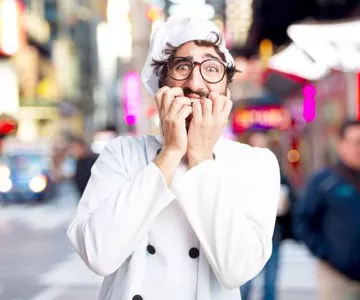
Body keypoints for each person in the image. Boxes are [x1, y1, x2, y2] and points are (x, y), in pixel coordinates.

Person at [67, 17, 280, 300]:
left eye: (212, 69)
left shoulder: (255, 163)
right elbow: (99, 255)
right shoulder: (121, 153)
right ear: (161, 89)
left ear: (227, 92)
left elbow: (237, 269)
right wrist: (169, 155)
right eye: (182, 67)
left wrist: (201, 158)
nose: (196, 82)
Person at [296, 119, 360, 300]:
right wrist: (326, 255)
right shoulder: (325, 181)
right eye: (356, 142)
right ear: (341, 145)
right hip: (338, 279)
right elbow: (303, 222)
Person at [240, 130, 297, 300]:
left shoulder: (277, 173)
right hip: (245, 234)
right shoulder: (239, 172)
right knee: (244, 281)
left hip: (273, 234)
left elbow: (288, 201)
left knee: (271, 281)